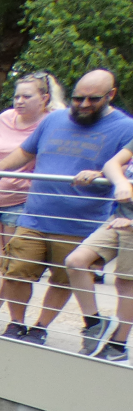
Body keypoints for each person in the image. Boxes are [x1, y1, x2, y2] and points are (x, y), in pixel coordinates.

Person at [0, 69, 133, 348]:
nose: (83, 105)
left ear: (110, 95)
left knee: (62, 279)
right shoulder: (56, 119)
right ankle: (16, 323)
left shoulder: (125, 127)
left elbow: (124, 172)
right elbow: (26, 151)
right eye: (78, 98)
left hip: (81, 222)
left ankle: (40, 328)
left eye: (92, 99)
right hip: (35, 214)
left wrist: (99, 175)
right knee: (15, 271)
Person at [0, 74, 64, 330]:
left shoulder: (51, 123)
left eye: (26, 96)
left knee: (11, 264)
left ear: (44, 98)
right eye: (16, 95)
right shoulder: (4, 118)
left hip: (22, 201)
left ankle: (12, 320)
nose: (19, 101)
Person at [63, 141, 133, 362]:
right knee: (75, 261)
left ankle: (117, 345)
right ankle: (95, 323)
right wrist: (119, 180)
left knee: (126, 283)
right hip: (118, 218)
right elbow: (114, 163)